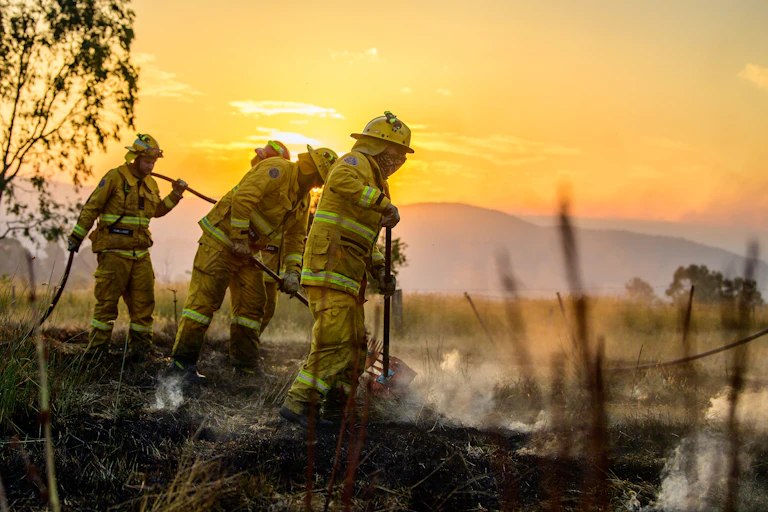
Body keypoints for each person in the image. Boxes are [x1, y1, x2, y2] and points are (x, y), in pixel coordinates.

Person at [280, 111, 413, 428]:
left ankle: (335, 413)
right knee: (334, 342)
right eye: (392, 154)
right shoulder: (355, 163)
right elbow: (339, 180)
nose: (396, 162)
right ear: (375, 146)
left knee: (355, 349)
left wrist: (382, 272)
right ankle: (297, 405)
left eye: (401, 157)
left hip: (349, 277)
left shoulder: (378, 183)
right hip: (330, 269)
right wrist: (382, 203)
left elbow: (367, 240)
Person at [168, 145, 338, 385]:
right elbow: (243, 198)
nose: (317, 185)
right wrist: (238, 237)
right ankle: (180, 364)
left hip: (247, 253)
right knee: (204, 303)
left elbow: (295, 238)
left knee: (253, 305)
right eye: (319, 178)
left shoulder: (303, 199)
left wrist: (292, 272)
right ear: (311, 170)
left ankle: (244, 367)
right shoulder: (276, 169)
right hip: (221, 240)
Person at [67, 134, 188, 358]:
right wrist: (77, 237)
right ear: (135, 158)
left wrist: (176, 195)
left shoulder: (151, 183)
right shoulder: (114, 178)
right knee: (106, 306)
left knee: (144, 308)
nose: (151, 165)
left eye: (154, 162)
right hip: (113, 253)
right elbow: (92, 208)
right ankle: (97, 356)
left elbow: (157, 211)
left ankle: (139, 355)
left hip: (140, 254)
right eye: (147, 161)